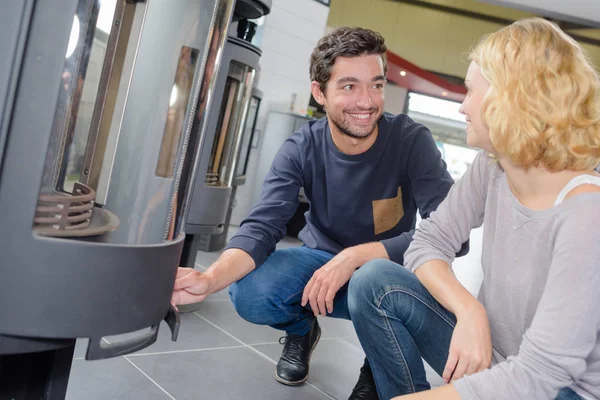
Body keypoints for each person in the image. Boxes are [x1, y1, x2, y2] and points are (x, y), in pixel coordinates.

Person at [172, 26, 465, 399]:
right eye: (349, 86)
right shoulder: (301, 147)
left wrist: (356, 256)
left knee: (371, 277)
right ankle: (301, 330)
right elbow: (262, 227)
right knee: (250, 292)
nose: (367, 101)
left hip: (388, 273)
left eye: (376, 85)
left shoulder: (410, 141)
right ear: (319, 93)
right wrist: (209, 281)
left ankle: (377, 363)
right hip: (319, 264)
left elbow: (452, 232)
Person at [347, 17, 600, 400]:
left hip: (559, 389)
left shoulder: (586, 213)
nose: (462, 106)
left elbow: (537, 377)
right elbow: (428, 242)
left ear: (511, 99)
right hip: (495, 357)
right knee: (373, 281)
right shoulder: (493, 165)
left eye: (469, 92)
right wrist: (470, 311)